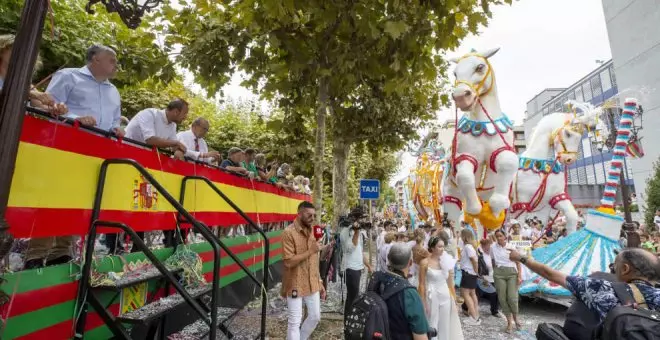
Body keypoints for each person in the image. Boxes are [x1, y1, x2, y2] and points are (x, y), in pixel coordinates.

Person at [509, 247, 660, 323]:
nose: (613, 271)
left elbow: (550, 274)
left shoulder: (601, 288)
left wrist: (521, 258)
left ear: (625, 269)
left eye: (614, 267)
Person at [47, 44, 124, 136]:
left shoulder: (114, 91)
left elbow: (115, 121)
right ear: (96, 59)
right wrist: (76, 119)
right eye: (112, 61)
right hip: (64, 139)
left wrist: (116, 129)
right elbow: (48, 106)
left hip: (101, 146)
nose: (116, 66)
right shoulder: (68, 76)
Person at [281, 201, 331, 340]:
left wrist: (320, 282)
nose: (312, 218)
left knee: (315, 317)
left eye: (314, 215)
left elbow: (314, 261)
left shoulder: (313, 231)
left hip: (312, 282)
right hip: (295, 282)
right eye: (309, 215)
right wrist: (310, 251)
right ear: (299, 214)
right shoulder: (288, 233)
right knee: (294, 322)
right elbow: (288, 262)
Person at [367, 242, 430, 340]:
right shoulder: (410, 294)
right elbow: (420, 336)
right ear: (410, 262)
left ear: (388, 258)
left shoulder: (375, 278)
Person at [0, 34, 67, 115]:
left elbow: (40, 106)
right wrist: (28, 93)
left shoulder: (24, 84)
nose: (20, 54)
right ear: (2, 51)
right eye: (15, 49)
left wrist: (54, 108)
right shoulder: (26, 89)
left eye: (24, 52)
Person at [418, 236, 464, 340]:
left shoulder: (446, 260)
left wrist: (455, 300)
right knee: (432, 322)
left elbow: (450, 283)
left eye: (443, 246)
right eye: (439, 246)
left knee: (444, 323)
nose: (442, 249)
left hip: (445, 295)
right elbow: (421, 284)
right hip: (431, 295)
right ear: (432, 248)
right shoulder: (424, 262)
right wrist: (423, 301)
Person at [125, 99, 189, 159]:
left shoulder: (173, 125)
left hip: (144, 157)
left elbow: (173, 145)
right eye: (185, 113)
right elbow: (150, 140)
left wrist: (179, 150)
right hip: (125, 152)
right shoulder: (150, 114)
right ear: (176, 112)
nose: (185, 117)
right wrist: (176, 143)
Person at [339, 212, 372, 316]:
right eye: (359, 220)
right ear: (353, 220)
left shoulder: (359, 232)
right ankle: (349, 323)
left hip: (358, 269)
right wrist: (357, 232)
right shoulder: (345, 232)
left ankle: (352, 319)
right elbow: (350, 248)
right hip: (350, 269)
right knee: (352, 297)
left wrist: (369, 266)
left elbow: (360, 252)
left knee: (355, 296)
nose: (361, 222)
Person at [463, 237, 501, 318]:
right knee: (477, 294)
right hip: (482, 277)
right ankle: (465, 307)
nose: (490, 247)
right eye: (488, 245)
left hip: (492, 277)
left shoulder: (492, 253)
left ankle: (494, 311)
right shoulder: (480, 254)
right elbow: (479, 266)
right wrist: (480, 276)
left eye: (491, 245)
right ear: (484, 246)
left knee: (494, 294)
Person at [492, 229, 522, 333]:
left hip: (512, 273)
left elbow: (518, 262)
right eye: (497, 236)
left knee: (512, 297)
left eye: (500, 236)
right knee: (502, 298)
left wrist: (520, 275)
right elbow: (492, 260)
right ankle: (509, 323)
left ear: (505, 236)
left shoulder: (511, 247)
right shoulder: (493, 247)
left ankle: (516, 318)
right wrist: (494, 271)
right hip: (498, 273)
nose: (499, 238)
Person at [458, 228, 481, 325]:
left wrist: (476, 271)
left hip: (468, 273)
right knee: (472, 294)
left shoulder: (467, 246)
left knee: (466, 294)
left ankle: (474, 317)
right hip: (471, 273)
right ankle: (476, 315)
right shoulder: (471, 246)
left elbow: (473, 260)